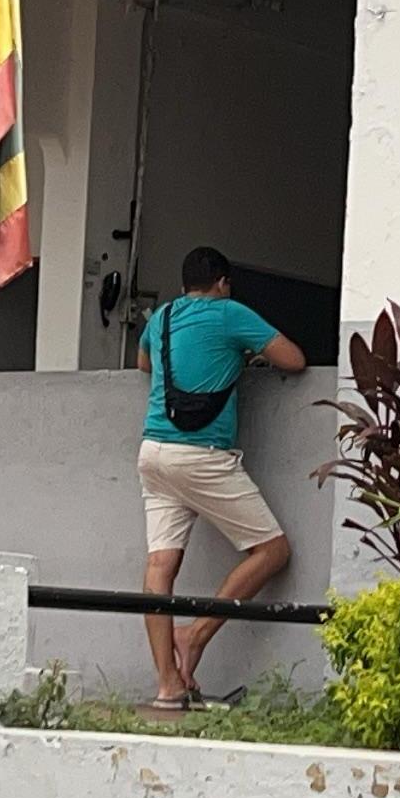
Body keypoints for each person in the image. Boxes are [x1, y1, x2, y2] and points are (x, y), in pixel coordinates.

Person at [135, 245, 305, 708]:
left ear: (183, 284)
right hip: (201, 456)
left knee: (159, 568)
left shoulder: (162, 317)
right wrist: (243, 353)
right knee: (272, 551)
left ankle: (168, 685)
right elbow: (294, 359)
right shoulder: (230, 313)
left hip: (153, 453)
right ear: (223, 282)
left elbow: (144, 365)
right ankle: (196, 634)